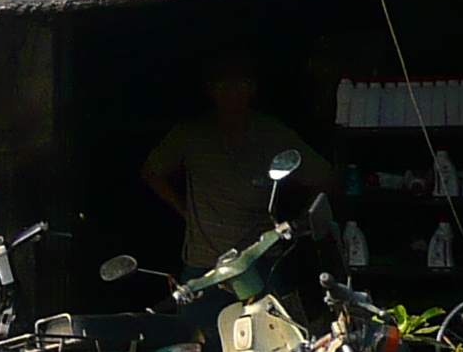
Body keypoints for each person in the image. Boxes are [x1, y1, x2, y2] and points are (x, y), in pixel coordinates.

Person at [141, 50, 333, 273]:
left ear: (252, 89)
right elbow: (151, 171)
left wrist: (297, 223)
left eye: (239, 84)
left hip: (262, 261)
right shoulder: (190, 134)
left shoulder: (272, 133)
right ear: (211, 90)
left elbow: (324, 177)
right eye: (222, 85)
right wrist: (185, 212)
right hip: (205, 264)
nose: (230, 93)